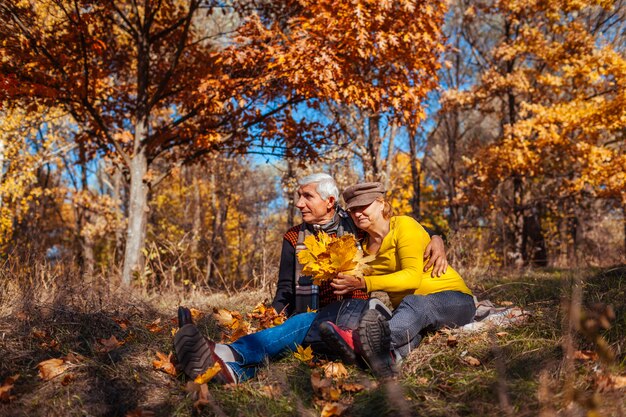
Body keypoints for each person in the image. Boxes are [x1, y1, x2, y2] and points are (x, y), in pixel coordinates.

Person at [174, 174, 449, 383]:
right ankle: (231, 372)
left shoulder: (356, 225)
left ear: (329, 202)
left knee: (304, 325)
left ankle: (226, 353)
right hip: (317, 323)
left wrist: (438, 238)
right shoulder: (293, 237)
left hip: (355, 312)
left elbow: (399, 231)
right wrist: (274, 315)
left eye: (307, 196)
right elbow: (284, 289)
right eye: (298, 196)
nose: (298, 203)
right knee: (302, 330)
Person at [323, 182, 476, 377]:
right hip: (414, 315)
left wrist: (365, 283)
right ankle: (387, 361)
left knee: (416, 303)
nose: (358, 213)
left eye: (363, 206)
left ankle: (359, 343)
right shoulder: (361, 249)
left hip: (455, 301)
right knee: (408, 332)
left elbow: (412, 278)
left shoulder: (403, 225)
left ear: (381, 203)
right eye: (353, 209)